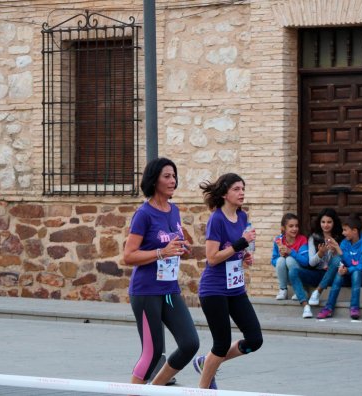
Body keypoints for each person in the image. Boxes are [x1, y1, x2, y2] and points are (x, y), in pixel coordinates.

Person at [123, 157, 199, 385]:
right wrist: (160, 253)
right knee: (152, 352)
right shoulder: (143, 214)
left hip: (169, 289)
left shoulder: (173, 211)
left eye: (174, 176)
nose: (172, 180)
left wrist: (181, 249)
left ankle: (155, 388)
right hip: (146, 292)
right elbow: (128, 256)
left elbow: (171, 245)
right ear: (154, 180)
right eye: (167, 176)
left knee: (189, 343)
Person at [193, 173, 263, 390]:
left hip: (235, 288)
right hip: (214, 290)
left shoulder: (242, 217)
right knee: (221, 344)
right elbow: (212, 258)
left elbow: (237, 251)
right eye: (236, 189)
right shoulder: (216, 219)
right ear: (224, 193)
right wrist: (240, 244)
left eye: (243, 188)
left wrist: (244, 255)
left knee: (254, 339)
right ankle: (202, 391)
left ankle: (207, 363)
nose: (241, 192)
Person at [288, 208, 343, 318]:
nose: (326, 225)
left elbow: (342, 260)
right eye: (323, 222)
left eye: (329, 222)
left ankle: (317, 292)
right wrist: (320, 254)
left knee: (336, 260)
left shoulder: (340, 237)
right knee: (293, 271)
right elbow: (311, 263)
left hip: (332, 275)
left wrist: (335, 249)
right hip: (316, 273)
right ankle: (305, 306)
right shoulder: (314, 238)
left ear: (334, 223)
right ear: (319, 223)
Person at [317, 214, 362, 320]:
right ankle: (328, 307)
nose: (343, 233)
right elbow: (343, 261)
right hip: (346, 274)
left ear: (354, 231)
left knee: (356, 273)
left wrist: (348, 269)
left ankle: (354, 307)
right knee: (338, 275)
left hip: (359, 277)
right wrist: (342, 268)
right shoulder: (345, 243)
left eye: (345, 230)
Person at [271, 213, 309, 300]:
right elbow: (273, 261)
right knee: (280, 260)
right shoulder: (279, 240)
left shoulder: (302, 239)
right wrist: (280, 256)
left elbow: (306, 262)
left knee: (290, 260)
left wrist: (290, 252)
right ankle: (283, 289)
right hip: (286, 276)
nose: (295, 229)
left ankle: (300, 290)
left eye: (296, 226)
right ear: (283, 228)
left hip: (301, 274)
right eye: (291, 226)